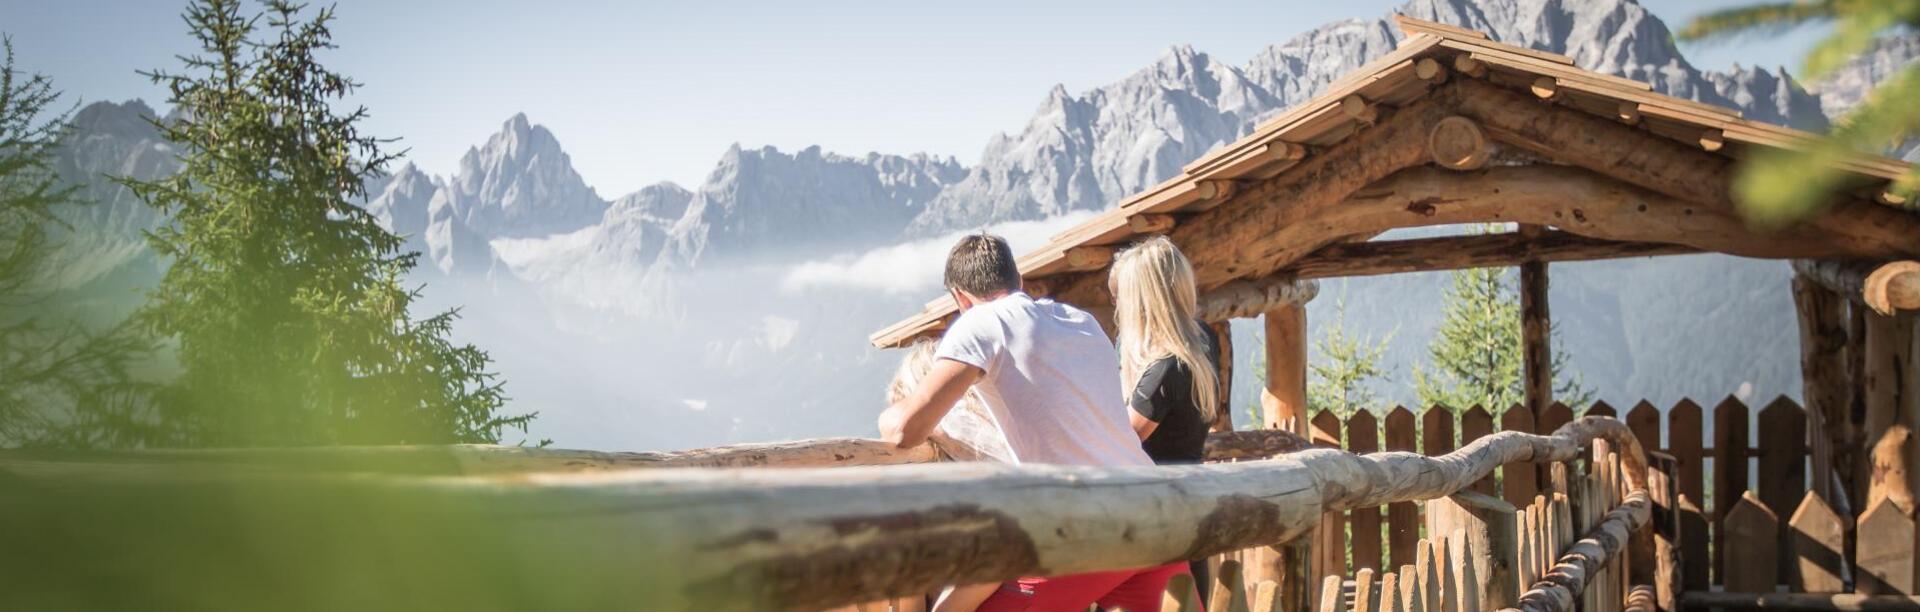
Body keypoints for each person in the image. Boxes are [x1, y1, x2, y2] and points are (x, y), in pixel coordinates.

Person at [878, 233, 1190, 612]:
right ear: (1019, 281)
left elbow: (904, 431)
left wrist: (891, 413)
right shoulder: (1082, 321)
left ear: (961, 299)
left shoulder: (980, 323)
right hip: (1156, 512)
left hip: (1086, 528)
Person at [1109, 236, 1223, 597]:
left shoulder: (1164, 369)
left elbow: (1122, 440)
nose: (1117, 305)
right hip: (1191, 501)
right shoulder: (1202, 340)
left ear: (1142, 299)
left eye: (1121, 296)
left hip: (1155, 515)